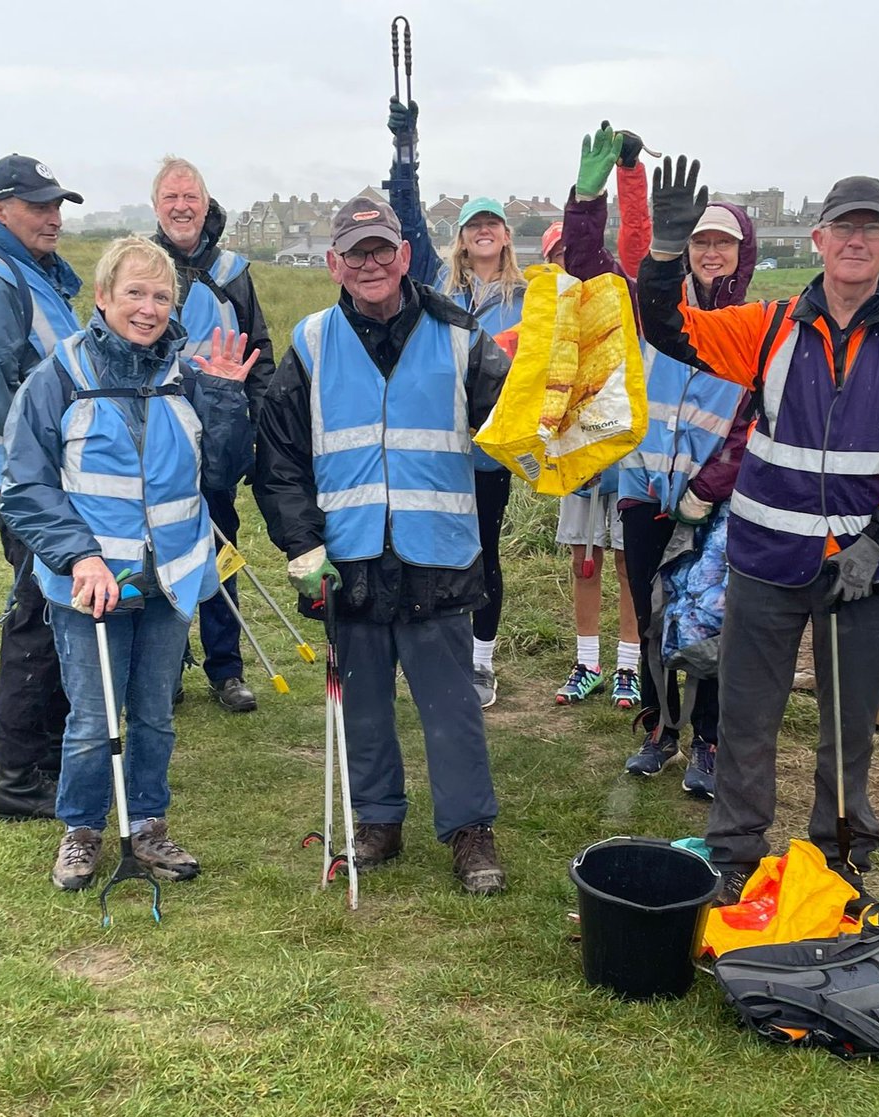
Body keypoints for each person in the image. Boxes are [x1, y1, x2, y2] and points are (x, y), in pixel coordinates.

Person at [637, 164, 879, 900]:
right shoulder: (769, 327)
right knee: (749, 718)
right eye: (844, 226)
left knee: (846, 729)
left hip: (863, 570)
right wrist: (663, 254)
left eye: (871, 227)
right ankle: (733, 855)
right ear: (818, 238)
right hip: (763, 558)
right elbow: (667, 329)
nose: (856, 240)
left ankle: (842, 852)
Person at [254, 197, 511, 896]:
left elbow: (515, 430)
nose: (370, 264)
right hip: (350, 555)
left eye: (381, 250)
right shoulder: (310, 342)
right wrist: (301, 546)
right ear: (335, 263)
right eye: (355, 253)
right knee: (360, 701)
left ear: (404, 255)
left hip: (438, 554)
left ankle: (469, 831)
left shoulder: (461, 338)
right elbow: (278, 457)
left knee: (452, 705)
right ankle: (376, 820)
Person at [0, 236, 256, 890]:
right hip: (91, 589)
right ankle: (81, 831)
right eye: (135, 293)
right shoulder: (57, 377)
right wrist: (78, 555)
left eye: (161, 296)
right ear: (104, 296)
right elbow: (25, 487)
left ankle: (148, 827)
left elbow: (223, 473)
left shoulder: (189, 376)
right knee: (90, 721)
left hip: (169, 580)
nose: (148, 308)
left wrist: (227, 399)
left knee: (154, 717)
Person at [565, 129, 755, 799]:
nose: (708, 252)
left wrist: (709, 489)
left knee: (709, 617)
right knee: (650, 611)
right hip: (645, 487)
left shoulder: (755, 324)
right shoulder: (650, 313)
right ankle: (659, 728)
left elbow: (750, 422)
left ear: (741, 253)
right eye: (699, 241)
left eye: (722, 243)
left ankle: (708, 739)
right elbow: (589, 260)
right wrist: (591, 196)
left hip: (719, 503)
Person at [386, 98, 526, 708]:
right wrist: (406, 154)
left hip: (491, 449)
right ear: (462, 239)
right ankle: (432, 652)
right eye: (474, 224)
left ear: (505, 235)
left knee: (483, 552)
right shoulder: (436, 292)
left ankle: (481, 660)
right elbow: (406, 221)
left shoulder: (528, 296)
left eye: (492, 222)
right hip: (439, 447)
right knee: (432, 547)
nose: (484, 230)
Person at [0, 154, 84, 821]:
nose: (53, 217)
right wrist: (56, 443)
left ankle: (48, 758)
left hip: (43, 476)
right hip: (24, 481)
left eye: (57, 205)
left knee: (53, 611)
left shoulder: (31, 272)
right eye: (38, 205)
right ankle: (20, 780)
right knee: (39, 620)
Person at [151, 156, 275, 713]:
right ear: (157, 207)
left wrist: (259, 425)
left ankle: (226, 670)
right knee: (161, 552)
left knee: (221, 548)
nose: (182, 207)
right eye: (171, 198)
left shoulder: (232, 270)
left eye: (191, 197)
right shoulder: (143, 266)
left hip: (220, 437)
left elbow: (260, 352)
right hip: (157, 441)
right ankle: (166, 665)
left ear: (206, 204)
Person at [545, 185, 642, 711]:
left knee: (628, 559)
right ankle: (587, 663)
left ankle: (628, 668)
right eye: (556, 258)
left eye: (572, 255)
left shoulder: (620, 302)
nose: (567, 265)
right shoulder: (554, 320)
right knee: (584, 559)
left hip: (625, 453)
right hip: (576, 452)